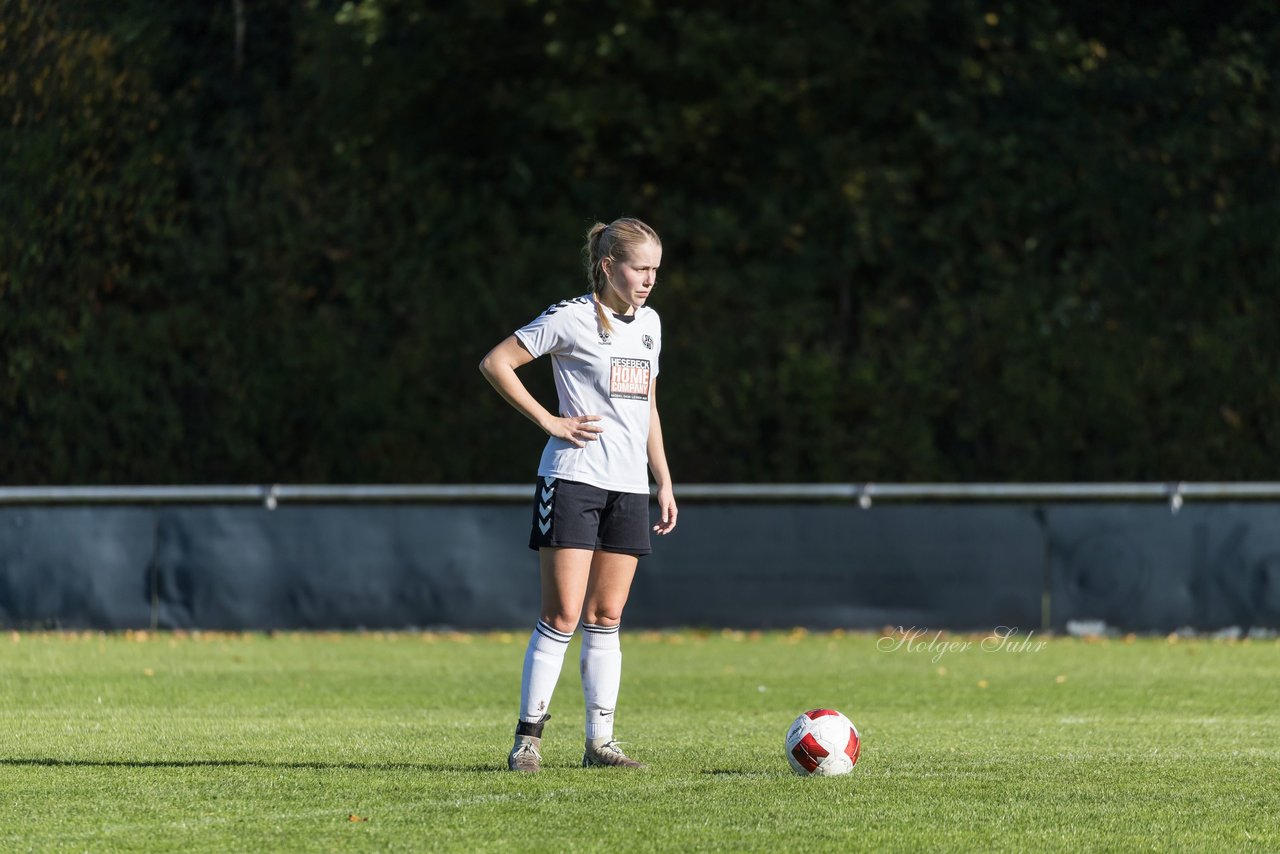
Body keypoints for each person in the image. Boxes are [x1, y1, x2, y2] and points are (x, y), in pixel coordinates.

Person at [479, 216, 678, 773]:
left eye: (655, 270)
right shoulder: (570, 317)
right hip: (573, 479)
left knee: (606, 613)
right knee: (563, 612)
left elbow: (648, 410)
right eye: (640, 268)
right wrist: (550, 420)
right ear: (608, 265)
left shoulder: (650, 324)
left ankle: (601, 744)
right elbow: (497, 362)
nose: (648, 280)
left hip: (628, 487)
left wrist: (662, 478)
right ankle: (527, 741)